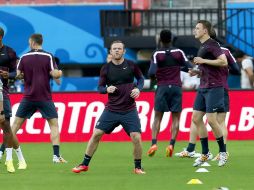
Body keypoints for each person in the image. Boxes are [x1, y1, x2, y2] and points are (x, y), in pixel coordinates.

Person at [72, 40, 145, 174]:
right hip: (111, 109)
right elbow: (99, 88)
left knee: (136, 136)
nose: (117, 50)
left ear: (124, 51)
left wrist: (139, 89)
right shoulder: (106, 68)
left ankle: (138, 167)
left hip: (129, 109)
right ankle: (84, 164)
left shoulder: (131, 65)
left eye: (119, 48)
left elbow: (141, 79)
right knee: (96, 134)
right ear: (110, 52)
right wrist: (107, 89)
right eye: (114, 49)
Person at [176, 28, 240, 160]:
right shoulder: (223, 51)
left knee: (202, 120)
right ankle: (211, 151)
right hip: (216, 87)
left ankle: (204, 150)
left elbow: (225, 66)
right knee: (215, 121)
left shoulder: (210, 51)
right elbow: (235, 69)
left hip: (214, 87)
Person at [7, 34, 66, 172]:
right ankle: (56, 156)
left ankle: (2, 151)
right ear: (41, 42)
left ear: (32, 43)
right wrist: (60, 72)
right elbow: (55, 74)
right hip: (44, 97)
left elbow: (18, 75)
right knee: (54, 125)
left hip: (28, 97)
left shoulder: (24, 57)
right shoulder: (48, 56)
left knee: (14, 127)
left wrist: (24, 76)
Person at [146, 29, 193, 157]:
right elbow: (189, 66)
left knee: (157, 117)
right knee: (176, 117)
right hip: (176, 87)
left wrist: (154, 80)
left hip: (162, 87)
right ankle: (171, 144)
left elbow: (151, 72)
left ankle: (154, 143)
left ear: (160, 39)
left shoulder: (157, 53)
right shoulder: (179, 52)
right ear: (171, 39)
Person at [189, 20, 228, 167]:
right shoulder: (203, 46)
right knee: (196, 118)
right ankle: (205, 153)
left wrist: (203, 60)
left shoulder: (213, 44)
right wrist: (197, 72)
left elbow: (223, 62)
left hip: (214, 87)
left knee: (211, 120)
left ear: (205, 31)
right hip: (203, 86)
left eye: (197, 28)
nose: (195, 30)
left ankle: (223, 152)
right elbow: (208, 68)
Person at [0, 27, 21, 173]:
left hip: (3, 91)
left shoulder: (9, 52)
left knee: (6, 125)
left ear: (1, 37)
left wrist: (9, 75)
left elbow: (18, 73)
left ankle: (9, 159)